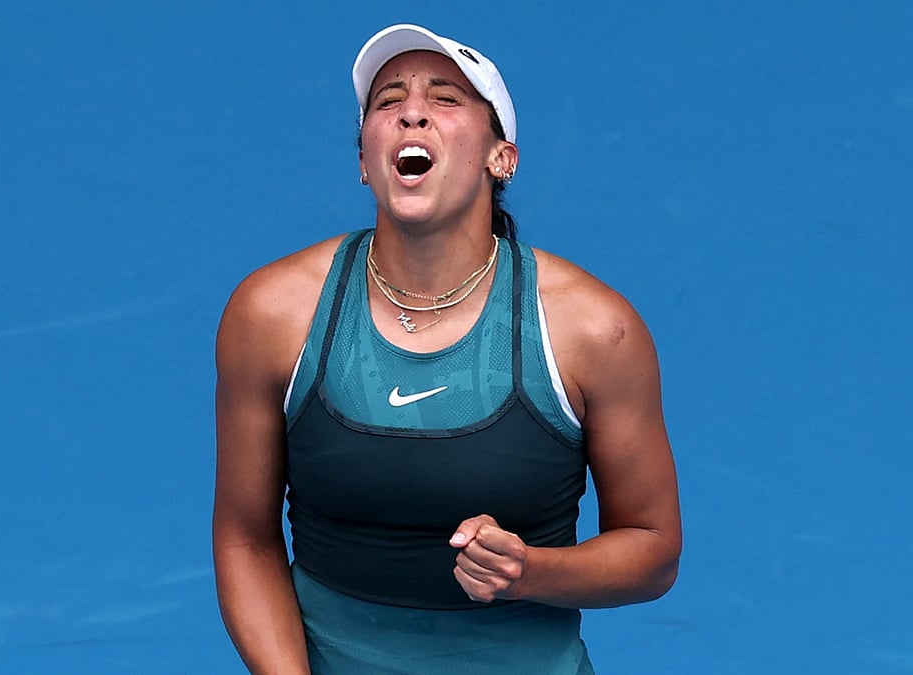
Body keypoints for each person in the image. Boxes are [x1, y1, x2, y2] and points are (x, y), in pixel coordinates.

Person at [213, 23, 681, 674]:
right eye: (387, 101)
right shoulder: (270, 313)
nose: (412, 111)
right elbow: (244, 536)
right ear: (363, 160)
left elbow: (653, 549)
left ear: (502, 158)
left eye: (446, 98)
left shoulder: (594, 330)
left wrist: (529, 570)